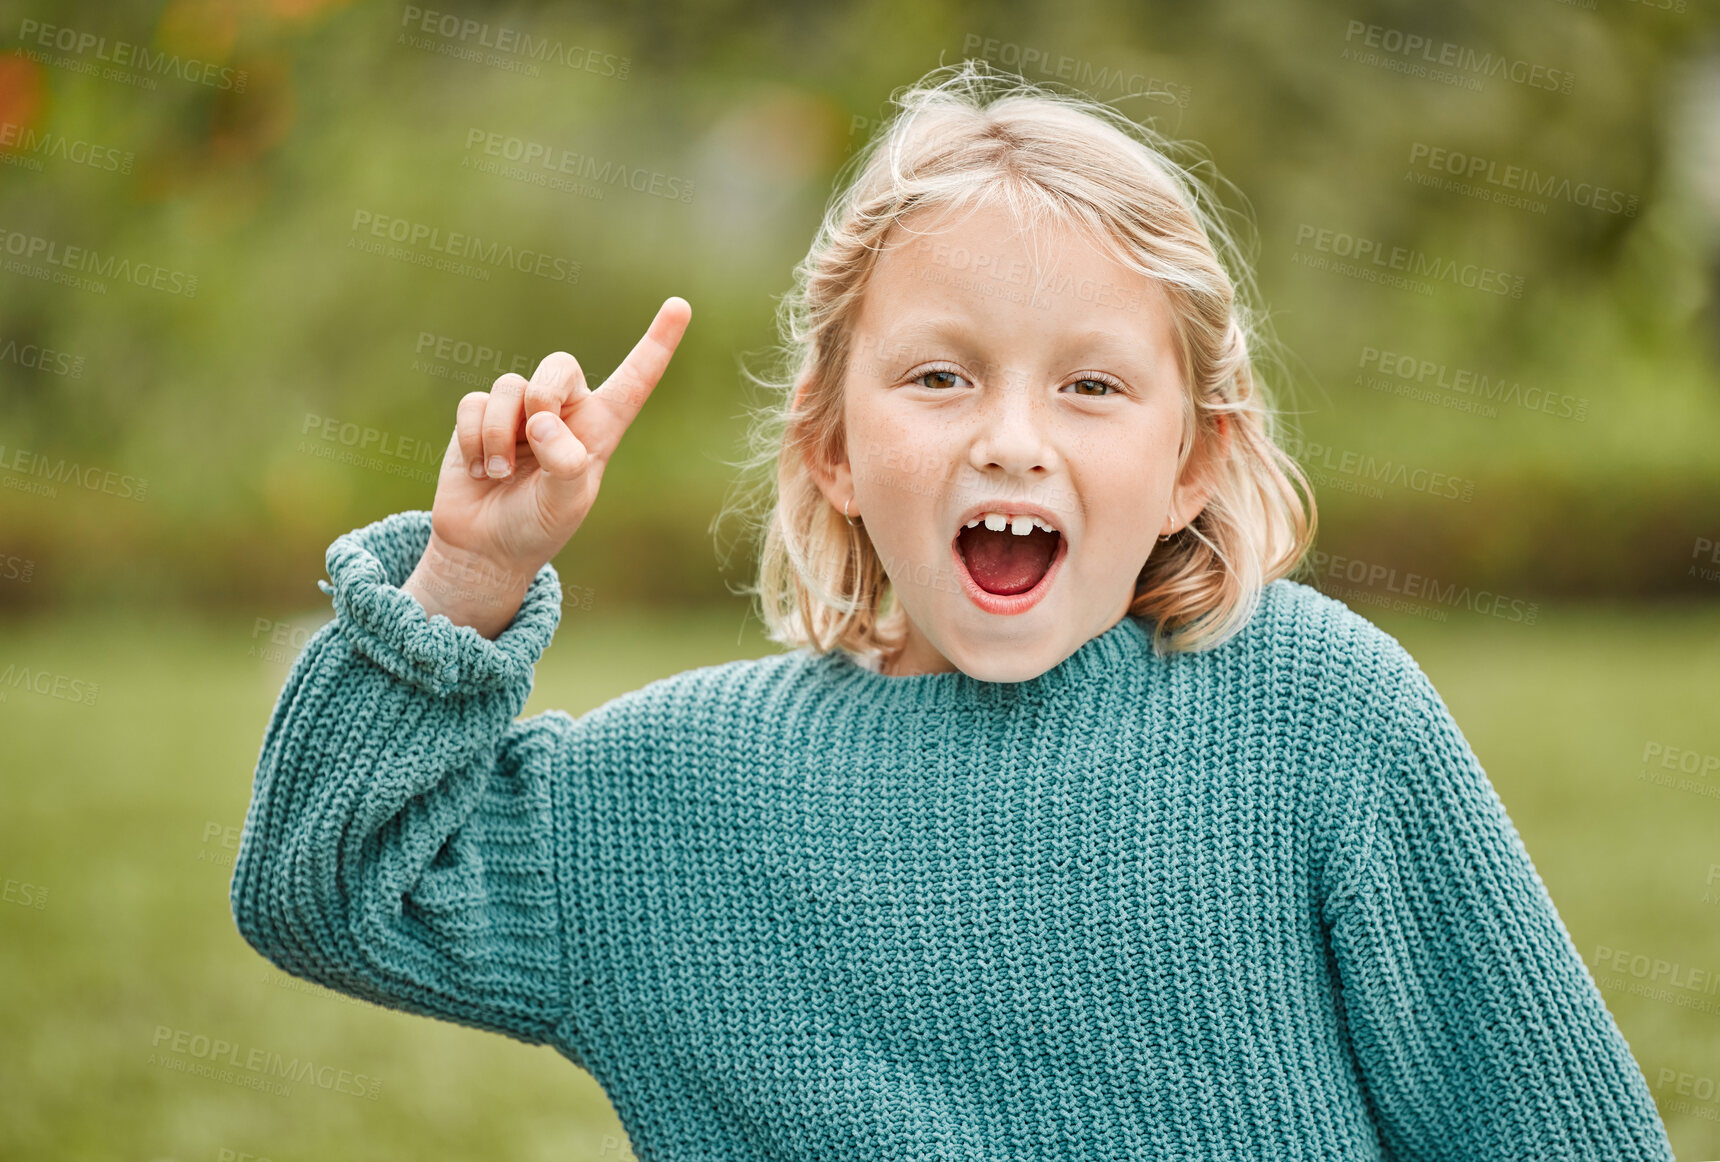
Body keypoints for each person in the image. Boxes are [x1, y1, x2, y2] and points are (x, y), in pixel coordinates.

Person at [230, 60, 1675, 1159]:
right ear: (833, 448)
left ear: (1195, 460)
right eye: (941, 376)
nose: (1011, 438)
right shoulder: (668, 799)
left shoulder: (1323, 719)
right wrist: (469, 579)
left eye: (1092, 385)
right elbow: (322, 888)